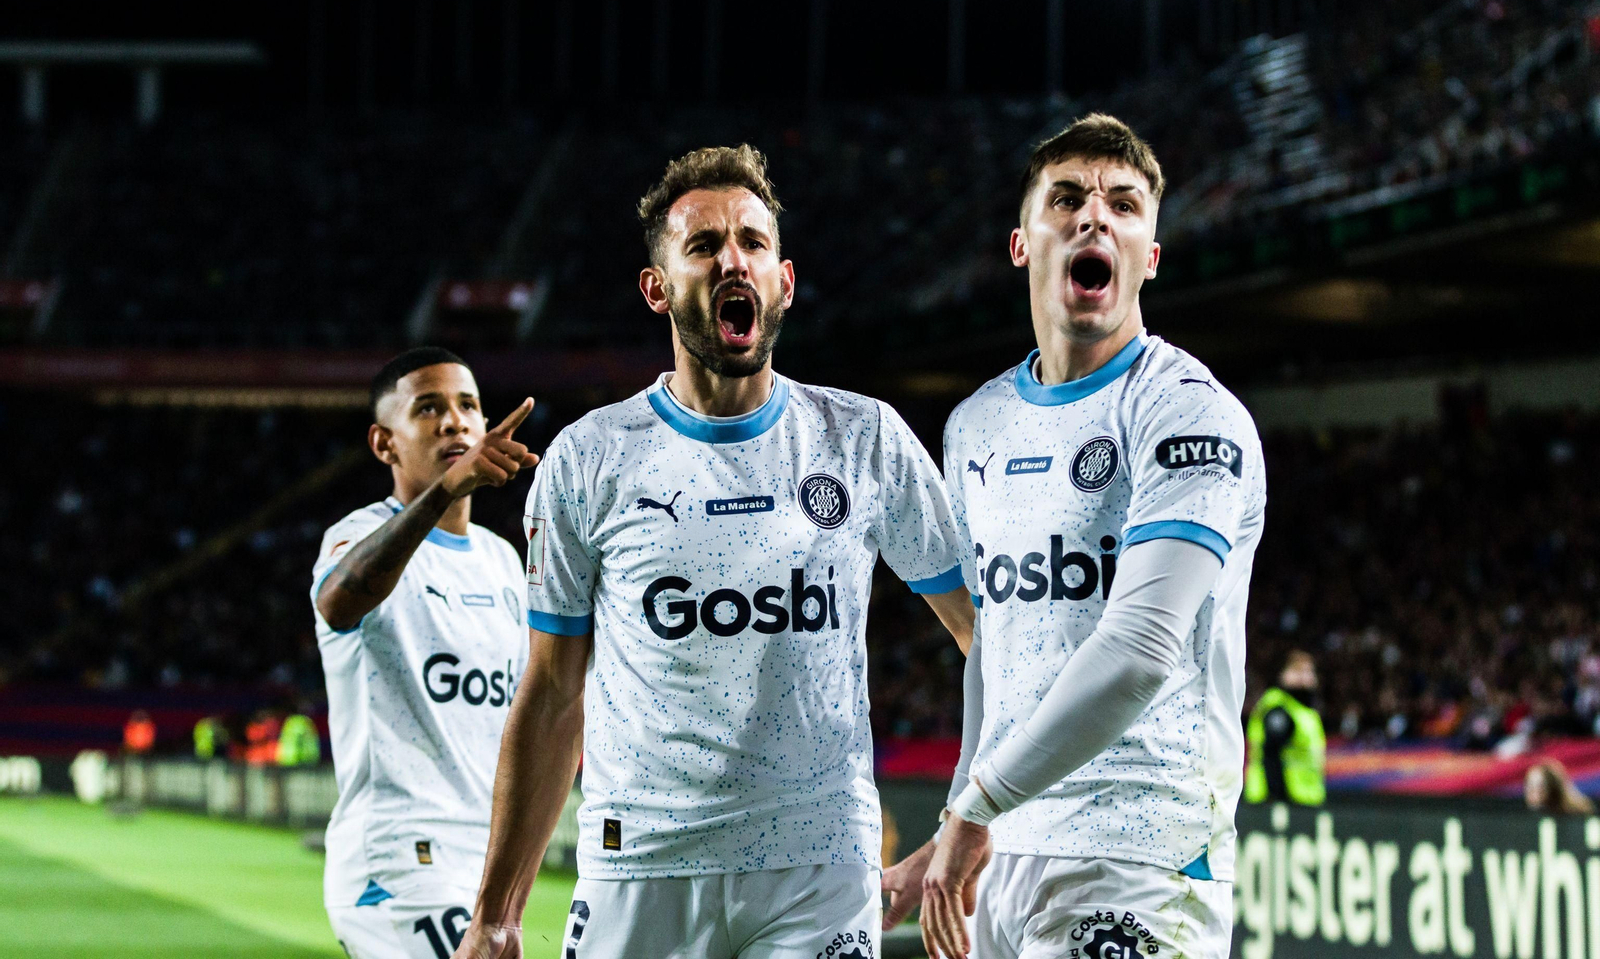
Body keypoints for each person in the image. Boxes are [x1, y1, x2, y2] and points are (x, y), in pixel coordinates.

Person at [451, 146, 974, 959]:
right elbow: (552, 695)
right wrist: (495, 912)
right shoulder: (591, 458)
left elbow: (990, 639)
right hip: (643, 870)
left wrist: (965, 823)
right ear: (657, 288)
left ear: (784, 281)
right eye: (703, 245)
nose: (733, 258)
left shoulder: (863, 439)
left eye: (753, 242)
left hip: (819, 871)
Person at [885, 114, 1267, 959]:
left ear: (1150, 256)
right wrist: (957, 828)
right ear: (1022, 243)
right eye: (1067, 199)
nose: (1096, 217)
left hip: (1143, 856)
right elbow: (996, 649)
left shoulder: (1188, 413)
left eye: (1125, 205)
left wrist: (972, 807)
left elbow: (1140, 646)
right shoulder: (976, 426)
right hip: (1009, 858)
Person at [313, 347, 538, 959]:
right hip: (398, 855)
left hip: (482, 865)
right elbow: (338, 603)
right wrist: (442, 493)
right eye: (429, 408)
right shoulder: (356, 535)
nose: (454, 421)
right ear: (385, 443)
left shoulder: (503, 562)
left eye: (468, 405)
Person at [1245, 650, 1326, 806]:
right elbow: (1271, 755)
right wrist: (1277, 800)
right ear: (1282, 674)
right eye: (1297, 671)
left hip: (1303, 798)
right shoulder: (1278, 709)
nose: (1304, 677)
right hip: (1279, 800)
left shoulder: (1303, 710)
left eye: (1308, 671)